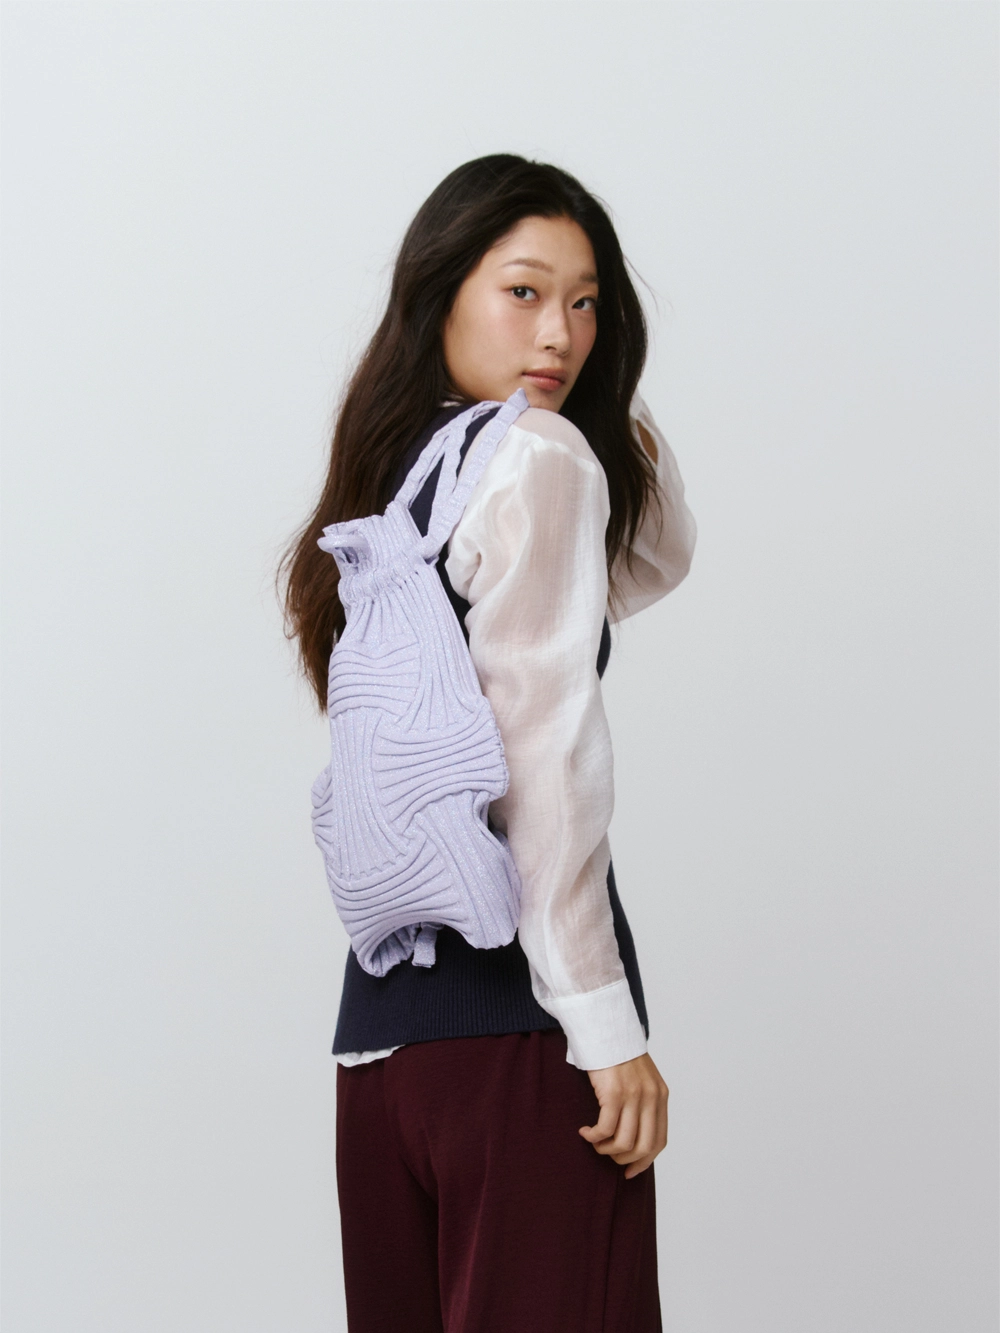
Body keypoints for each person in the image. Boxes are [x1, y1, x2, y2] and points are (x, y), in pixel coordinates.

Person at [282, 154, 697, 1333]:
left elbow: (650, 559)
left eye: (586, 303)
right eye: (524, 291)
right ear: (441, 294)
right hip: (520, 1039)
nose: (559, 333)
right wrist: (602, 1024)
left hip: (381, 1056)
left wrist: (588, 400)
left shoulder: (394, 482)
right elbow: (542, 758)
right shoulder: (537, 459)